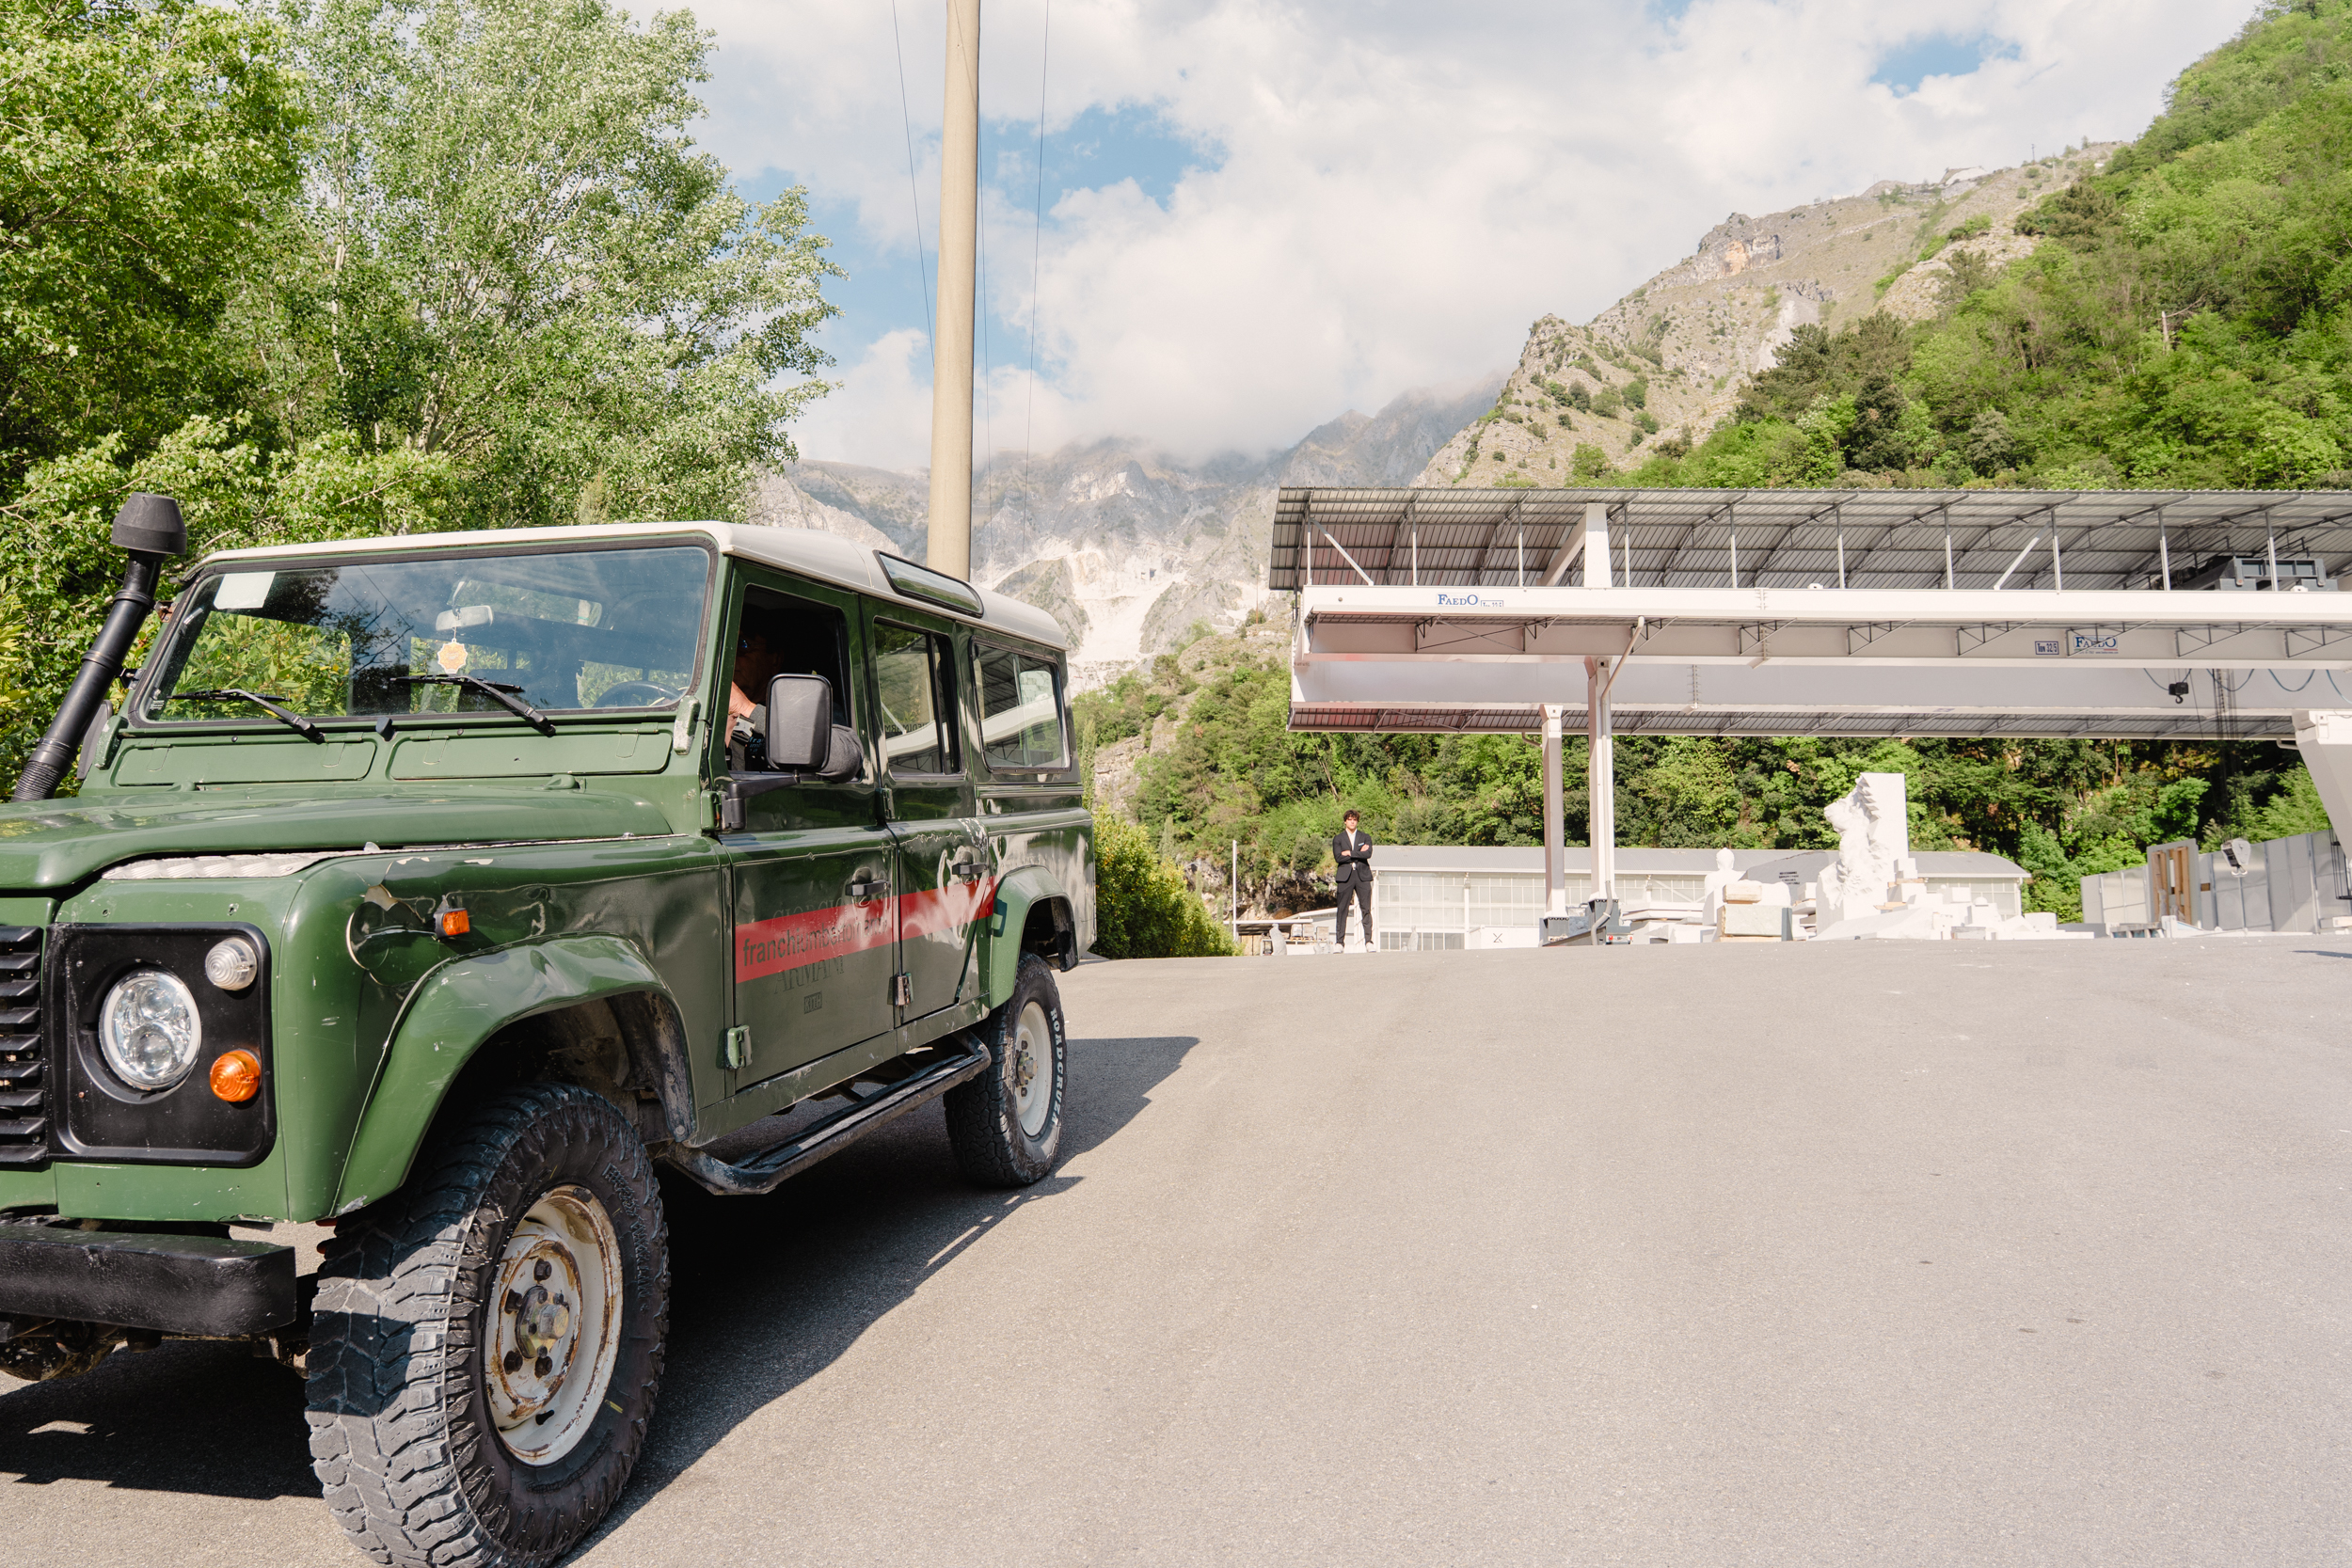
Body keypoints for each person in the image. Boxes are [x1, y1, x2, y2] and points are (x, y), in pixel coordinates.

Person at [1331, 809, 1374, 951]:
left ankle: (1369, 941)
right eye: (1349, 819)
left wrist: (1349, 853)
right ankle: (1339, 942)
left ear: (1357, 821)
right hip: (1345, 876)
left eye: (1354, 820)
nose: (1352, 822)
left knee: (1366, 909)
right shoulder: (1338, 838)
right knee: (1342, 909)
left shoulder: (1365, 837)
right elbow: (1338, 857)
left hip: (1362, 876)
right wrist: (1358, 853)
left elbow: (1368, 854)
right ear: (1345, 821)